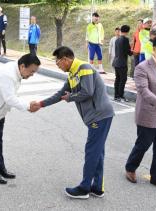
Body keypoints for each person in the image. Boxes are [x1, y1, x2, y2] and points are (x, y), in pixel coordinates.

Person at [33, 46, 114, 199]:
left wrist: (70, 97)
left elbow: (87, 92)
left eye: (58, 63)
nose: (58, 65)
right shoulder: (72, 74)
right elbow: (60, 95)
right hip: (96, 117)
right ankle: (97, 188)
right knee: (98, 152)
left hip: (100, 116)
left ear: (65, 59)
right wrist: (41, 104)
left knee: (92, 152)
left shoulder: (84, 68)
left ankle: (84, 188)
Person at [0, 54, 41, 185]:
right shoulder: (8, 74)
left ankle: (0, 168)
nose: (32, 74)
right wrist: (28, 106)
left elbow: (11, 96)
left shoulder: (17, 71)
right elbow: (10, 98)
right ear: (23, 66)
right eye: (32, 71)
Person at [125, 36, 156, 192]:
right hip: (148, 113)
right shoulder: (142, 67)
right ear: (154, 49)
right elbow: (143, 91)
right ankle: (130, 168)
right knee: (143, 144)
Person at [112, 25, 133, 102]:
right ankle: (121, 96)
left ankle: (116, 95)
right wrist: (132, 51)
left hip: (116, 62)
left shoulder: (117, 39)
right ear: (127, 31)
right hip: (122, 63)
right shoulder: (125, 39)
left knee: (117, 79)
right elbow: (128, 51)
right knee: (123, 79)